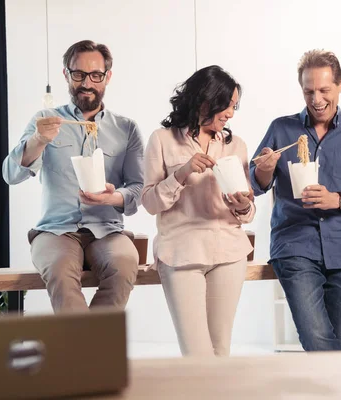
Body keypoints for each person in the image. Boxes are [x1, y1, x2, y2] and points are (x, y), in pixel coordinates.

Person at [250, 50, 341, 351]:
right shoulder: (281, 128)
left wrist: (337, 199)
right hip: (295, 245)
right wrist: (262, 171)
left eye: (324, 90)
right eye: (309, 91)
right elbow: (254, 184)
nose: (316, 99)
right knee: (316, 337)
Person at [2, 40, 144, 312]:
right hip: (56, 230)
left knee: (125, 263)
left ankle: (85, 347)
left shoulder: (127, 129)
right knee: (59, 271)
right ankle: (84, 351)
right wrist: (38, 140)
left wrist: (111, 197)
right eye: (78, 74)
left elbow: (138, 189)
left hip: (108, 231)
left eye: (95, 75)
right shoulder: (45, 120)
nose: (87, 83)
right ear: (66, 75)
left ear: (107, 77)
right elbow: (10, 175)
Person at [141, 65, 255, 357]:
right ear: (204, 101)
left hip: (229, 252)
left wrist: (243, 205)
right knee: (197, 354)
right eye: (227, 105)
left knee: (220, 349)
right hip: (181, 254)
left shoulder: (236, 146)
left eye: (234, 106)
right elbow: (150, 202)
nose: (231, 113)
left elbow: (249, 209)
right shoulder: (162, 140)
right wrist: (181, 173)